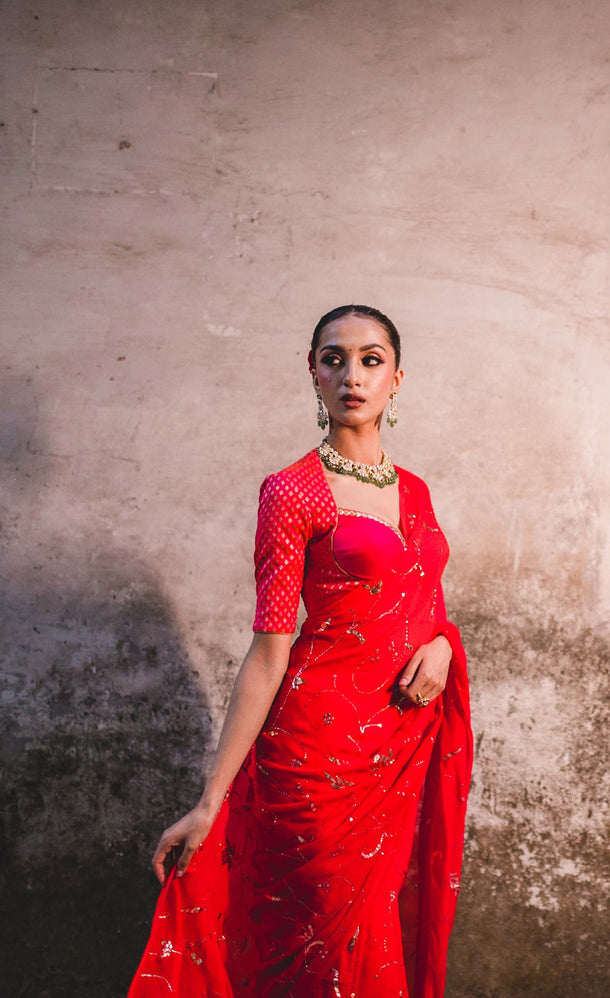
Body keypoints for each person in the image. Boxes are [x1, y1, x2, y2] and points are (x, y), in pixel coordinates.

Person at [127, 305, 472, 998]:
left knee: (373, 927)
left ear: (396, 379)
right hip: (317, 754)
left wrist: (440, 643)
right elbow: (268, 650)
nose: (352, 375)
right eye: (333, 359)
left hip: (398, 751)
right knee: (325, 945)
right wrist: (210, 799)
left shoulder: (417, 493)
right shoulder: (292, 492)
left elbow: (423, 603)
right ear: (311, 373)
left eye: (370, 360)